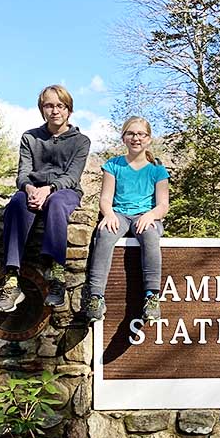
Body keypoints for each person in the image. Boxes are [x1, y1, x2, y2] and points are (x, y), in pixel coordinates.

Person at [0, 85, 91, 312]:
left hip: (64, 192)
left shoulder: (81, 141)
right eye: (49, 105)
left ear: (69, 110)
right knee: (17, 204)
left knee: (57, 203)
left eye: (60, 106)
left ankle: (56, 276)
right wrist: (29, 189)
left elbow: (72, 176)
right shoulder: (30, 137)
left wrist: (49, 189)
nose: (55, 111)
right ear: (42, 109)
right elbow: (22, 173)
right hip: (32, 190)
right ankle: (11, 278)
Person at [84, 116, 170, 323]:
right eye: (131, 133)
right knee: (104, 234)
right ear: (123, 138)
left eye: (141, 134)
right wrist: (109, 214)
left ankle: (151, 297)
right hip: (119, 215)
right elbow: (105, 199)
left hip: (146, 217)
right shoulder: (113, 165)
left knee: (150, 236)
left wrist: (150, 216)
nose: (136, 138)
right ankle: (96, 297)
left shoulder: (157, 170)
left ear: (149, 139)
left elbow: (163, 206)